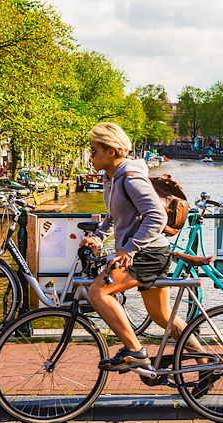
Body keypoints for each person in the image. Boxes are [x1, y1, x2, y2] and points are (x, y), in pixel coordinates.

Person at [80, 122, 207, 372]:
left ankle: (135, 351)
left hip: (148, 254)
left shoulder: (130, 177)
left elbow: (157, 216)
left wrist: (129, 249)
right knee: (163, 317)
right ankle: (204, 362)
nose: (90, 156)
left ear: (112, 151)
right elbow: (113, 215)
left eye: (94, 151)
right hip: (145, 252)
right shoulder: (111, 177)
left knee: (98, 293)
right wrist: (98, 236)